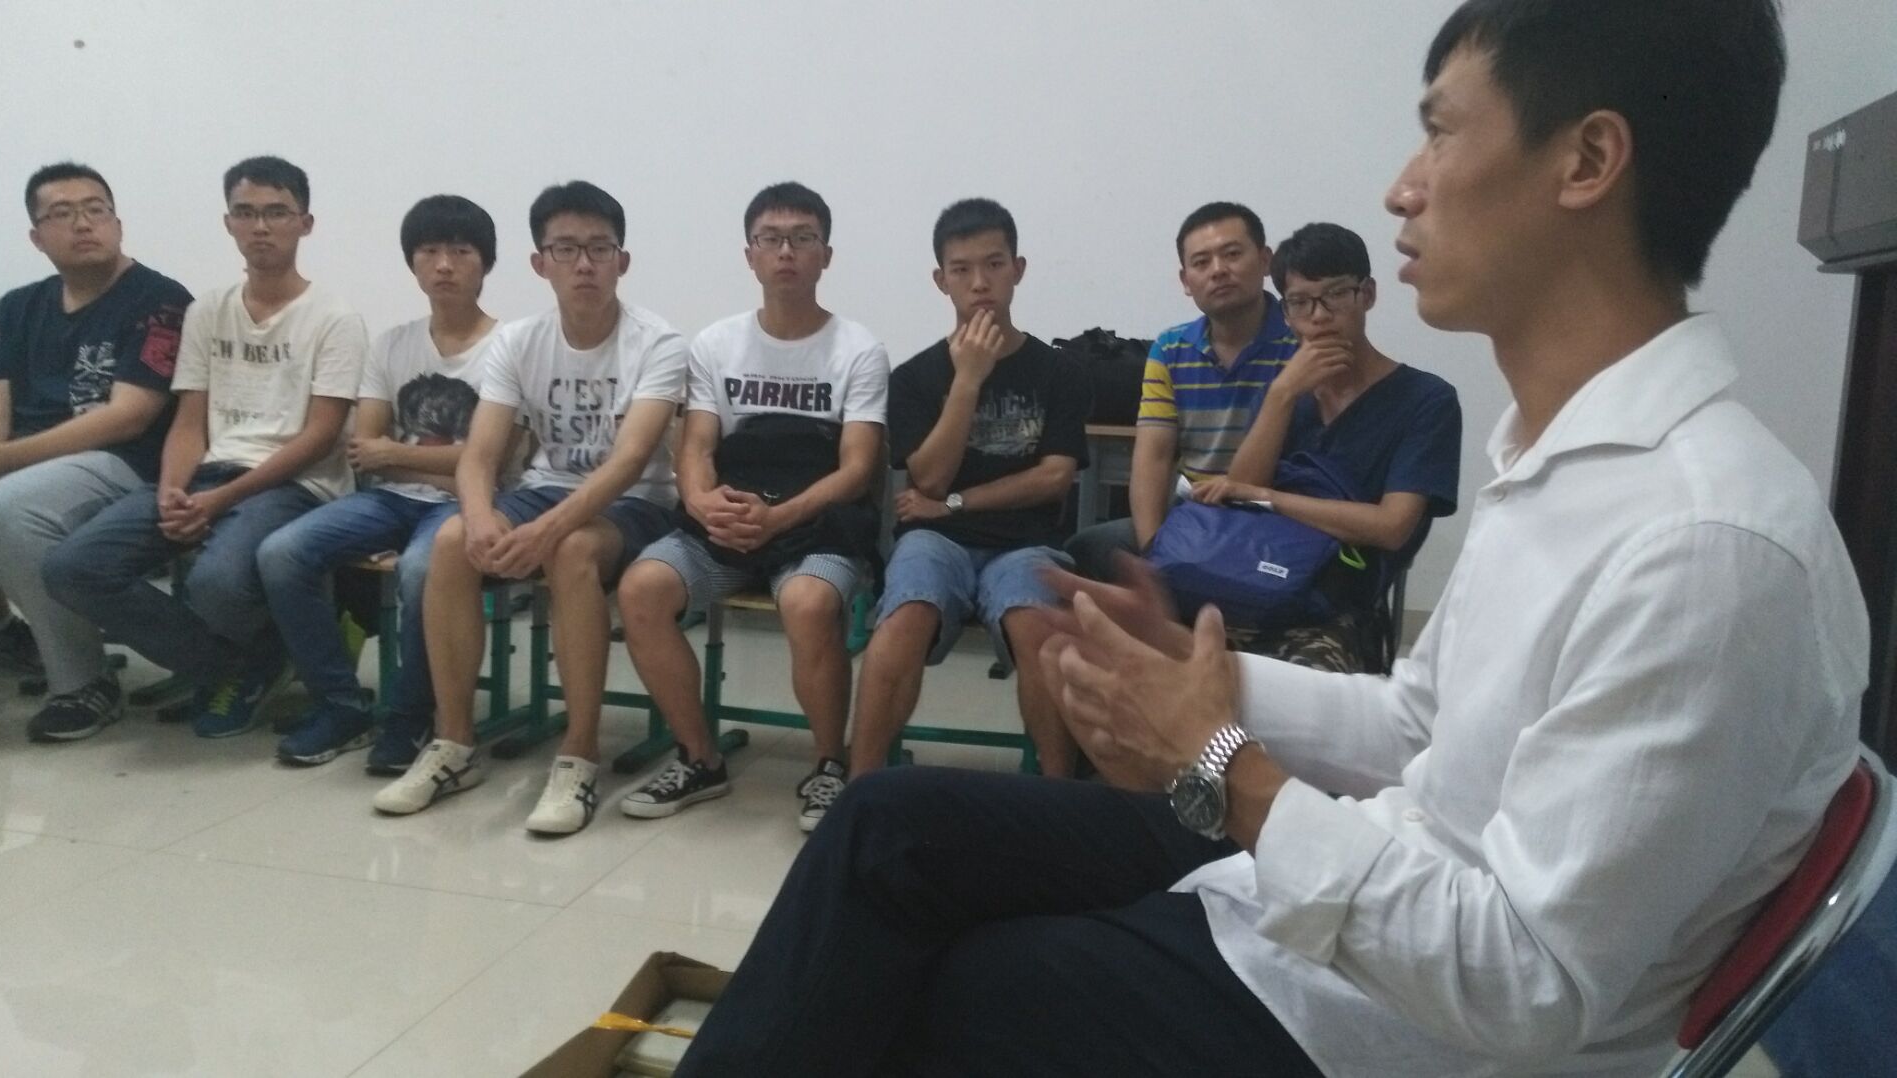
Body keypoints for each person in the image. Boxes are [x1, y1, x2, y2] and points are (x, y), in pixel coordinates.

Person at [675, 2, 1868, 1075]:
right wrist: (1206, 679)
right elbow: (1418, 728)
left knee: (952, 987)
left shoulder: (1705, 547)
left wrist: (1220, 760)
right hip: (1336, 890)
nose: (1402, 189)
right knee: (889, 825)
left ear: (1588, 160)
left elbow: (1526, 986)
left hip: (1382, 1024)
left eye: (1441, 134)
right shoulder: (1562, 466)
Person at [374, 180, 686, 836]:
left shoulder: (657, 342)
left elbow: (630, 461)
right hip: (546, 489)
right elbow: (479, 456)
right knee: (451, 541)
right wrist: (480, 517)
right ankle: (454, 743)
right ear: (540, 263)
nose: (583, 264)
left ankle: (579, 755)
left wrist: (544, 530)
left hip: (635, 503)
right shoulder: (520, 341)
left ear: (622, 261)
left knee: (571, 551)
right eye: (565, 249)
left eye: (599, 248)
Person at [45, 156, 366, 740]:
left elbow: (320, 436)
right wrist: (173, 491)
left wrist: (221, 501)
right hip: (204, 476)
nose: (261, 227)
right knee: (74, 568)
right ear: (228, 223)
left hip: (294, 484)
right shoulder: (208, 310)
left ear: (305, 223)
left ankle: (250, 658)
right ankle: (241, 662)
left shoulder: (334, 318)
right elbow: (190, 421)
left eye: (277, 213)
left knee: (214, 583)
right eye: (246, 212)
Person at [616, 182, 888, 831]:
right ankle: (699, 758)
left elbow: (857, 470)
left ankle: (829, 765)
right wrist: (703, 502)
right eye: (771, 239)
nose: (786, 252)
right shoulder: (715, 343)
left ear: (826, 255)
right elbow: (696, 445)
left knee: (809, 604)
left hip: (817, 524)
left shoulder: (859, 349)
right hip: (728, 518)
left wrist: (779, 518)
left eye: (802, 238)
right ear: (750, 255)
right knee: (641, 589)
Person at [840, 198, 1093, 786]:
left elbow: (1054, 477)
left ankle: (1060, 796)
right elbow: (927, 478)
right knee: (904, 618)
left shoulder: (1061, 372)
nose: (980, 283)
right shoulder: (913, 378)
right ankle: (861, 788)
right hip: (935, 542)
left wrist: (956, 503)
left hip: (1026, 543)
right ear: (941, 280)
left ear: (1018, 269)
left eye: (994, 264)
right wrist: (968, 380)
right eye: (961, 269)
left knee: (1039, 631)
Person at [256, 195, 501, 768]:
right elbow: (366, 451)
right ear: (412, 263)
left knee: (422, 569)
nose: (444, 265)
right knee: (281, 552)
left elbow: (493, 459)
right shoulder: (392, 344)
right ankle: (341, 706)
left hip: (468, 503)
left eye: (460, 251)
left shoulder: (510, 347)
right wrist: (416, 459)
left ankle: (411, 717)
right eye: (429, 251)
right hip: (389, 498)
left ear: (486, 263)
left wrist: (399, 453)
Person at [1188, 222, 1462, 672]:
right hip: (1252, 581)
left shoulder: (1426, 400)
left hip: (1338, 604)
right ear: (1286, 312)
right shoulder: (1285, 393)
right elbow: (1241, 494)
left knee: (1292, 680)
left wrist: (1271, 498)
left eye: (1335, 295)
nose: (1318, 316)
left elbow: (1391, 526)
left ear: (1367, 294)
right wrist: (1280, 396)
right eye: (1300, 302)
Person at [0, 164, 192, 729]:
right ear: (36, 236)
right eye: (63, 213)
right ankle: (2, 634)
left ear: (118, 223)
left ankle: (83, 681)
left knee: (3, 507)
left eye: (96, 209)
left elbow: (128, 417)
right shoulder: (19, 306)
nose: (83, 223)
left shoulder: (160, 300)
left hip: (126, 465)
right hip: (35, 460)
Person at [1063, 201, 1297, 582]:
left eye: (1232, 254)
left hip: (1276, 519)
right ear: (1186, 281)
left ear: (1265, 260)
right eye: (1201, 262)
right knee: (1081, 551)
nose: (1218, 270)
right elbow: (1153, 458)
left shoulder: (1299, 344)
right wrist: (1153, 552)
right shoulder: (1171, 349)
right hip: (1195, 518)